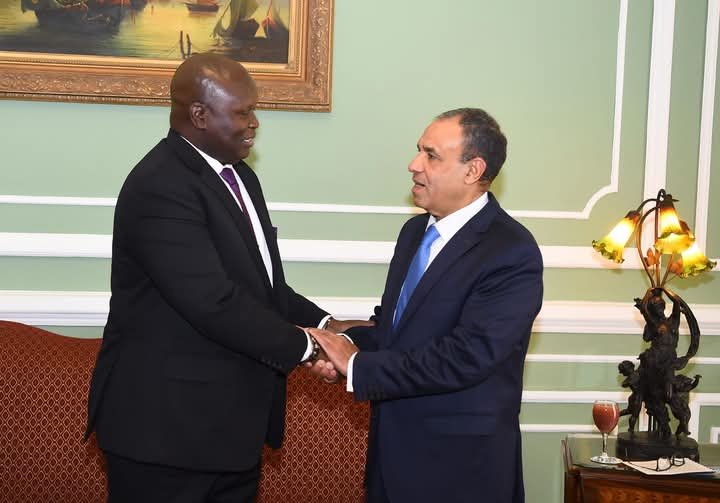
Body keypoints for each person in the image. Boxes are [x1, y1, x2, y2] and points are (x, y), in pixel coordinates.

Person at [85, 53, 365, 502]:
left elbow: (259, 285)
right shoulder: (161, 184)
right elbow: (212, 301)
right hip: (165, 436)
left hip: (228, 433)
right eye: (242, 112)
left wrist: (327, 323)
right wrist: (310, 348)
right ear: (199, 115)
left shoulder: (240, 177)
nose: (254, 123)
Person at [308, 108, 544, 503]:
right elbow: (395, 331)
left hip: (460, 472)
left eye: (431, 155)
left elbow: (468, 355)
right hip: (391, 460)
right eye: (419, 150)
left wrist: (358, 366)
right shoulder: (414, 231)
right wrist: (338, 348)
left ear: (473, 170)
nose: (414, 165)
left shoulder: (511, 251)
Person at [617, 360, 643, 433]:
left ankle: (617, 414)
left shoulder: (631, 378)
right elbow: (624, 384)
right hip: (637, 397)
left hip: (634, 397)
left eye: (622, 371)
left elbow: (624, 384)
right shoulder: (637, 374)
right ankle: (631, 430)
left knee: (629, 411)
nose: (621, 373)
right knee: (634, 415)